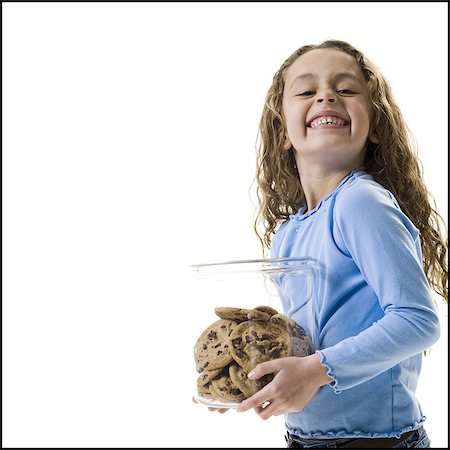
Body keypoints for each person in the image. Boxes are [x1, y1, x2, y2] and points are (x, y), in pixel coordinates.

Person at [232, 40, 448, 448]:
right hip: (306, 437)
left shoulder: (359, 202)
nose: (326, 95)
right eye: (306, 90)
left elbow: (417, 321)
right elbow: (310, 342)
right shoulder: (290, 231)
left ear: (377, 127)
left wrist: (313, 372)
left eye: (346, 90)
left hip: (372, 442)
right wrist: (245, 378)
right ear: (282, 131)